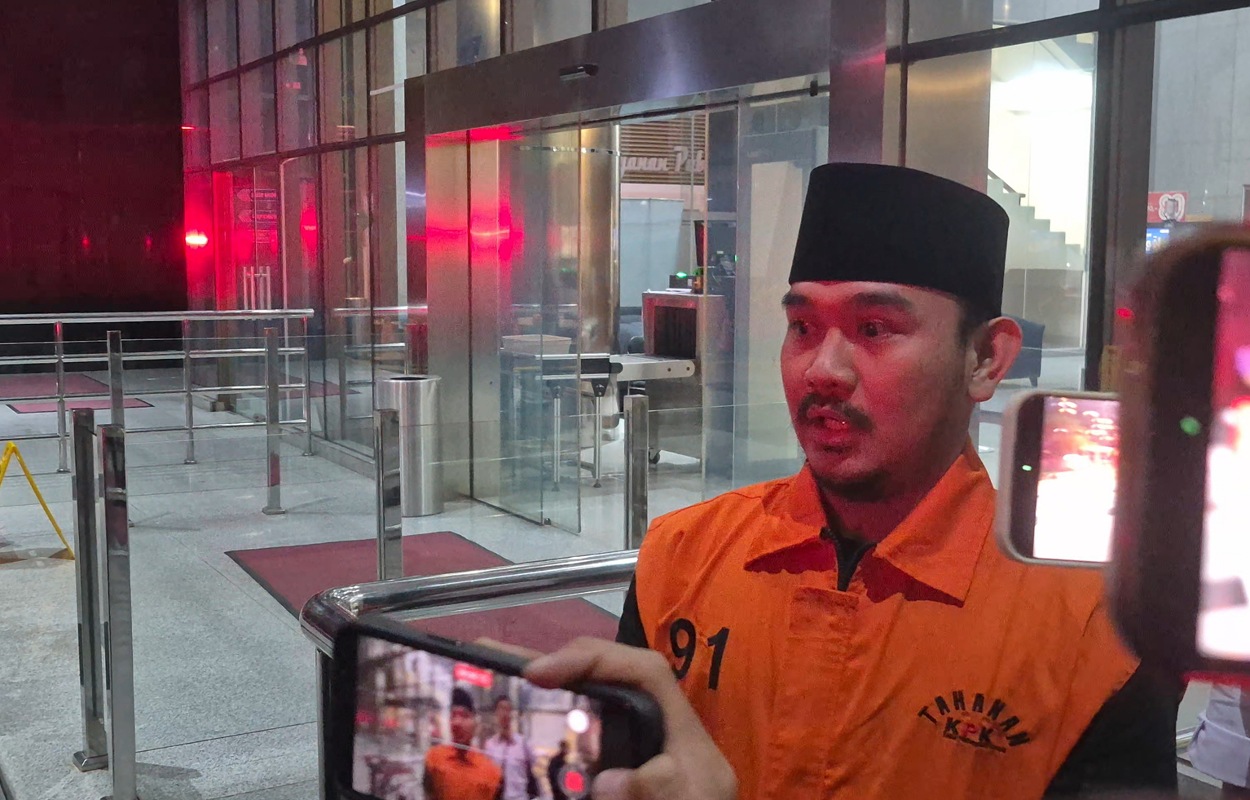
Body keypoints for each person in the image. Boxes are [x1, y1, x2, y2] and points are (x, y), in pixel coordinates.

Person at [613, 163, 1180, 799]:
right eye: (803, 328)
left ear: (985, 358)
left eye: (874, 329)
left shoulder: (1095, 627)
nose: (822, 369)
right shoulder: (683, 555)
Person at [423, 688, 504, 800]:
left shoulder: (492, 773)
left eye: (464, 715)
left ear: (476, 723)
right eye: (453, 716)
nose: (457, 722)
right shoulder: (434, 759)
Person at [483, 695, 539, 800]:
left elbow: (535, 767)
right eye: (501, 709)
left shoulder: (523, 743)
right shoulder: (490, 745)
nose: (505, 713)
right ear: (496, 713)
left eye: (508, 709)